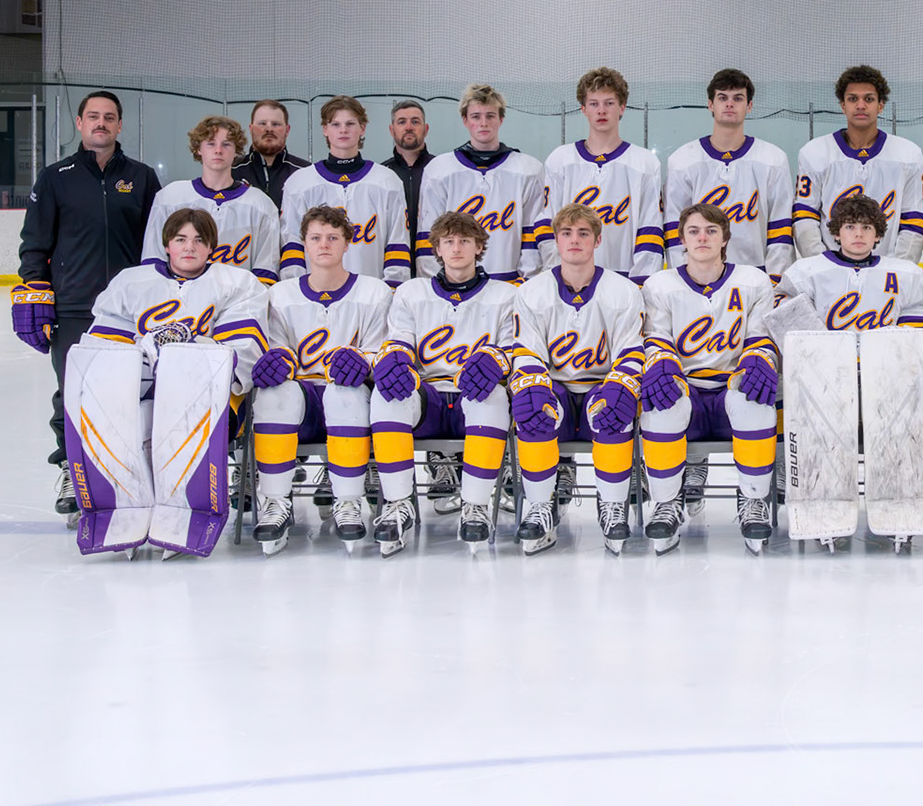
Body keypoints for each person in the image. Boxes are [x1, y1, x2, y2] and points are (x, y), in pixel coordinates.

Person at [72, 207, 270, 557]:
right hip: (141, 392)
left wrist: (189, 347)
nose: (189, 247)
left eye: (198, 240)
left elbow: (244, 350)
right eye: (181, 239)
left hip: (211, 399)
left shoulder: (237, 283)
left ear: (211, 247)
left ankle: (181, 519)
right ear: (167, 244)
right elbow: (101, 350)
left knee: (174, 427)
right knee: (126, 424)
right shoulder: (131, 282)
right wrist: (146, 349)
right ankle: (127, 516)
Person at [15, 90, 161, 516]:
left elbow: (158, 243)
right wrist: (35, 291)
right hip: (75, 306)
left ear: (119, 126)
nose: (101, 123)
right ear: (79, 124)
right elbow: (34, 243)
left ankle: (132, 470)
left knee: (135, 392)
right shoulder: (55, 176)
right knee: (74, 393)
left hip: (135, 311)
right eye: (93, 116)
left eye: (109, 117)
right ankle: (70, 467)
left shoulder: (142, 176)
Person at [369, 210, 524, 556]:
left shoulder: (506, 294)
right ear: (436, 248)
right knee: (387, 393)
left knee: (493, 395)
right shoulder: (412, 291)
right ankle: (398, 504)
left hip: (474, 395)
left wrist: (495, 360)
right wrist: (395, 359)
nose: (456, 248)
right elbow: (399, 340)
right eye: (449, 241)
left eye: (465, 241)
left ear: (479, 246)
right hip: (430, 398)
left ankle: (476, 505)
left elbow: (515, 347)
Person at [512, 203, 658, 556]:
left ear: (597, 240)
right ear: (555, 241)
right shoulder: (532, 292)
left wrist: (619, 386)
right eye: (566, 233)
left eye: (583, 234)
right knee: (533, 407)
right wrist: (534, 388)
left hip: (601, 383)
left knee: (616, 406)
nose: (574, 240)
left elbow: (631, 351)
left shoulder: (623, 291)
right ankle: (540, 506)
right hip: (555, 386)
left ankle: (612, 507)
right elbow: (527, 353)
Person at [248, 206, 394, 554]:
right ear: (304, 245)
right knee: (273, 392)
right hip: (302, 404)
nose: (324, 244)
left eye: (333, 238)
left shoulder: (375, 292)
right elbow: (277, 352)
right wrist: (277, 361)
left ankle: (348, 501)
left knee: (345, 390)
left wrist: (362, 361)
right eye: (315, 238)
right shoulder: (280, 295)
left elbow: (380, 353)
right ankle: (276, 502)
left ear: (348, 244)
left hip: (353, 403)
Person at [639, 202, 781, 554]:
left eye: (711, 231)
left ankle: (753, 500)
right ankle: (666, 502)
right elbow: (656, 340)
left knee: (755, 397)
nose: (702, 237)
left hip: (730, 387)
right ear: (682, 241)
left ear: (724, 239)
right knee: (661, 401)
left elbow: (760, 337)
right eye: (694, 231)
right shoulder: (660, 284)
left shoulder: (753, 280)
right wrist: (660, 364)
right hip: (687, 389)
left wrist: (760, 358)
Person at [665, 68, 795, 280]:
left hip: (756, 276)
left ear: (749, 106)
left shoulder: (773, 160)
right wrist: (684, 278)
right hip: (699, 277)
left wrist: (775, 278)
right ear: (710, 105)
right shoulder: (683, 161)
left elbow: (780, 227)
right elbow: (674, 230)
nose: (729, 104)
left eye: (738, 98)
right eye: (722, 97)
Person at [417, 83, 550, 283]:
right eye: (476, 116)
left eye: (490, 116)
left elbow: (531, 232)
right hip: (455, 284)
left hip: (509, 283)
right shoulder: (440, 171)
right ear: (465, 120)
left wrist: (528, 281)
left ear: (501, 119)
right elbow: (430, 235)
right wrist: (437, 283)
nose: (483, 123)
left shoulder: (527, 170)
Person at [541, 66, 664, 281]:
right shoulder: (560, 160)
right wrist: (558, 276)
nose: (601, 111)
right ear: (583, 109)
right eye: (594, 104)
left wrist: (643, 283)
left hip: (624, 282)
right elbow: (548, 224)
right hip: (570, 281)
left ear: (622, 107)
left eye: (609, 103)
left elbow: (650, 228)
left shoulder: (645, 163)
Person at [794, 64, 923, 262]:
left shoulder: (908, 155)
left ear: (880, 105)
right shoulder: (814, 153)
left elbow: (913, 219)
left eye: (869, 99)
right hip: (830, 269)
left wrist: (899, 268)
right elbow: (805, 217)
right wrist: (823, 265)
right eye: (853, 99)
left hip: (888, 270)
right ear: (842, 105)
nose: (861, 105)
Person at [278, 96, 412, 283]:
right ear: (325, 129)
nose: (343, 130)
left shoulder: (387, 181)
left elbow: (397, 244)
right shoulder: (300, 183)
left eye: (350, 123)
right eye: (335, 124)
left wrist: (392, 290)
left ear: (362, 128)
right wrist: (298, 293)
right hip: (313, 297)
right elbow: (292, 246)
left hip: (371, 297)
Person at [143, 115, 281, 285]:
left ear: (237, 150)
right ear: (198, 149)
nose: (218, 150)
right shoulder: (170, 197)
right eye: (210, 143)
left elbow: (265, 272)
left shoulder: (260, 204)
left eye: (226, 144)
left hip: (237, 303)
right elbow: (153, 262)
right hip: (179, 303)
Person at [779, 194, 923, 331]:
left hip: (885, 363)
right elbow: (794, 334)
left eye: (867, 227)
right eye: (850, 227)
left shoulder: (907, 275)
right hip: (825, 362)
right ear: (837, 234)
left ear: (877, 235)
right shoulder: (805, 273)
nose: (859, 234)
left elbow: (916, 335)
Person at [232, 99, 308, 207]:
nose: (269, 129)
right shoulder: (232, 170)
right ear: (251, 128)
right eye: (262, 123)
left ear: (287, 130)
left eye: (276, 124)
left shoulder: (305, 172)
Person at [381, 100, 433, 241]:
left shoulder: (440, 170)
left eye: (415, 122)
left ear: (426, 129)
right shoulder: (381, 175)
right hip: (393, 258)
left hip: (434, 257)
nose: (409, 127)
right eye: (402, 122)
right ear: (392, 130)